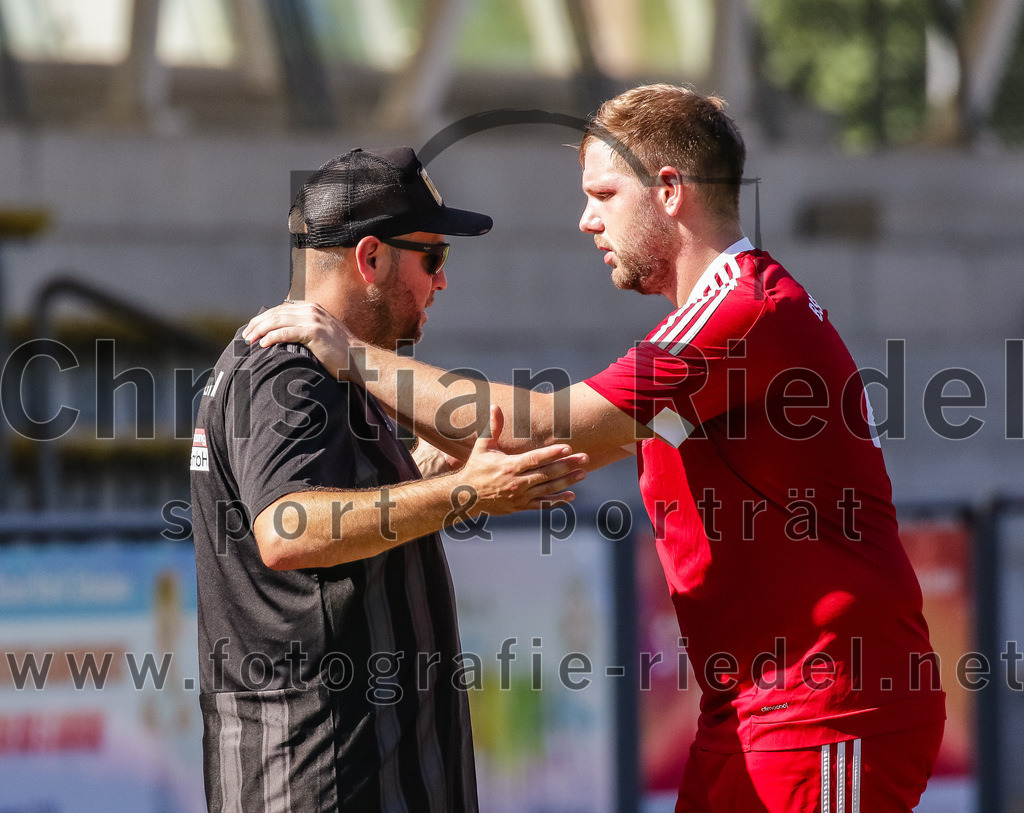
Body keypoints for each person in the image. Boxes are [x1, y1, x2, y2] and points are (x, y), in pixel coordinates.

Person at [244, 86, 947, 812]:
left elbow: (545, 424)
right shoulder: (716, 317)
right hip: (754, 706)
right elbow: (560, 446)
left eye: (603, 193)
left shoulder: (739, 315)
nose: (586, 220)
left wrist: (350, 356)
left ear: (669, 191)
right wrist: (424, 471)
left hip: (827, 705)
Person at [190, 146, 587, 812]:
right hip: (333, 778)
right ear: (370, 258)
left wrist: (441, 466)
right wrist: (466, 493)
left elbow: (341, 493)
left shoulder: (330, 363)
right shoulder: (292, 371)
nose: (442, 281)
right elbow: (288, 528)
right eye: (434, 257)